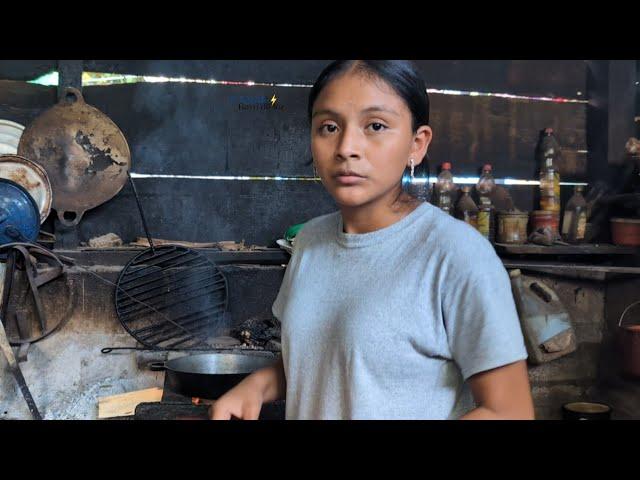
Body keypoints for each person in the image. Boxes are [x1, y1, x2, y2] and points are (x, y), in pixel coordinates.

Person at [210, 60, 534, 420]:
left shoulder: (456, 254)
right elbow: (317, 364)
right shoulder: (310, 242)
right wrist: (256, 387)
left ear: (417, 143)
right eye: (329, 127)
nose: (346, 147)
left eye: (375, 125)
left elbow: (509, 411)